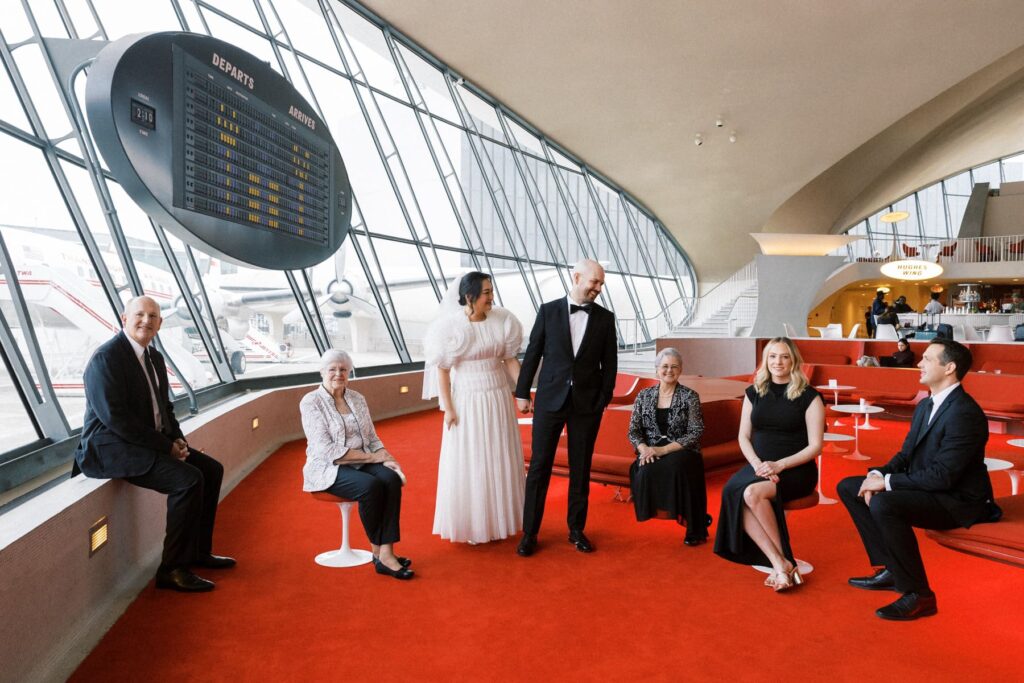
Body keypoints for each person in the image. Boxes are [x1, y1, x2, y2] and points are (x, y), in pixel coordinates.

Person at [74, 296, 234, 593]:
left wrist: (178, 439)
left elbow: (165, 409)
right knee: (188, 480)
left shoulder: (154, 358)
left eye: (153, 316)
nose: (146, 321)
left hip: (147, 443)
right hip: (109, 447)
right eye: (140, 314)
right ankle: (172, 568)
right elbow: (116, 420)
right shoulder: (106, 359)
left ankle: (197, 552)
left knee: (211, 469)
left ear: (160, 324)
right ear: (124, 318)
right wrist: (165, 447)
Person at [837, 339, 1000, 620]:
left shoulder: (965, 413)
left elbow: (943, 476)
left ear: (949, 368)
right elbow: (905, 454)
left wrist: (887, 483)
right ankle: (891, 569)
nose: (919, 364)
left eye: (927, 359)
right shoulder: (927, 404)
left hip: (957, 500)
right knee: (851, 486)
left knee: (884, 503)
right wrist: (878, 474)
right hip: (932, 488)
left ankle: (919, 595)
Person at [514, 258, 618, 557]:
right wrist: (522, 392)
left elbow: (610, 364)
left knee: (581, 468)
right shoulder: (548, 311)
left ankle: (576, 529)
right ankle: (530, 533)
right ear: (576, 277)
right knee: (539, 467)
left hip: (587, 405)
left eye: (601, 284)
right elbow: (533, 353)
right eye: (594, 282)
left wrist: (603, 399)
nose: (598, 288)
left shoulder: (605, 318)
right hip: (550, 400)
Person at [713, 337, 825, 591]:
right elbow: (743, 436)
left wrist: (779, 465)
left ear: (793, 361)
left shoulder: (809, 396)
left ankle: (781, 563)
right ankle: (780, 562)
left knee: (751, 493)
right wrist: (757, 464)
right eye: (773, 356)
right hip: (758, 467)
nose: (778, 362)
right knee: (734, 492)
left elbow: (815, 446)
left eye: (784, 356)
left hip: (795, 469)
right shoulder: (754, 392)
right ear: (765, 360)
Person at [423, 271, 525, 544]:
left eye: (492, 291)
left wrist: (524, 392)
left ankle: (499, 521)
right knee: (473, 458)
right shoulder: (450, 328)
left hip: (498, 397)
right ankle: (473, 525)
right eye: (487, 292)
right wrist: (449, 408)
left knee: (498, 455)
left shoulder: (503, 320)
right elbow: (443, 371)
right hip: (467, 399)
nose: (492, 297)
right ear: (470, 297)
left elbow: (510, 360)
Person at [300, 349, 413, 580]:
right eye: (332, 369)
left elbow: (371, 438)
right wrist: (373, 458)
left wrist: (387, 457)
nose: (338, 374)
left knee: (390, 479)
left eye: (343, 369)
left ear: (349, 372)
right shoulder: (311, 402)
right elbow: (327, 450)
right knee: (371, 486)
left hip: (360, 461)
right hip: (327, 467)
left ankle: (386, 552)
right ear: (322, 372)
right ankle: (378, 552)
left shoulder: (357, 399)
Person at [627, 347, 710, 546]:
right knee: (643, 469)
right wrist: (643, 449)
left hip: (682, 450)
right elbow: (633, 431)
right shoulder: (643, 396)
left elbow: (695, 432)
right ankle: (666, 509)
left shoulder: (690, 396)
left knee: (676, 467)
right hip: (650, 449)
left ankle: (695, 527)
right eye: (664, 366)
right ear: (656, 370)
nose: (669, 371)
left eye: (674, 366)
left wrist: (663, 450)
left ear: (680, 370)